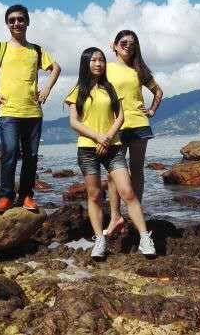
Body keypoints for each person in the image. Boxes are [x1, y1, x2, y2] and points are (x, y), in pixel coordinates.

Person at [65, 48, 156, 259]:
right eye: (94, 60)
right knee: (95, 195)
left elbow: (120, 117)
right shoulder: (78, 90)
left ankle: (144, 238)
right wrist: (98, 137)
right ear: (86, 63)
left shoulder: (111, 88)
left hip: (113, 147)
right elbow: (74, 122)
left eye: (101, 60)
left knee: (128, 192)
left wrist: (107, 137)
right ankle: (100, 240)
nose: (98, 64)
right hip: (87, 149)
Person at [0, 4, 61, 214]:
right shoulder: (0, 48)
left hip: (33, 112)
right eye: (12, 20)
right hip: (8, 112)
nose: (16, 23)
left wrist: (47, 89)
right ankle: (6, 196)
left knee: (31, 156)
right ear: (7, 24)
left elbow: (56, 68)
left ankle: (26, 196)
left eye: (20, 19)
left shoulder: (36, 50)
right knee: (10, 152)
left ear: (27, 22)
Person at [103, 30, 163, 236]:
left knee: (137, 170)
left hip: (138, 124)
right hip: (115, 126)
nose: (128, 45)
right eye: (124, 42)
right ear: (114, 45)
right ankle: (115, 217)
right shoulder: (106, 68)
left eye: (132, 43)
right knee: (113, 174)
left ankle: (135, 213)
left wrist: (152, 110)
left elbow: (158, 91)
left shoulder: (139, 70)